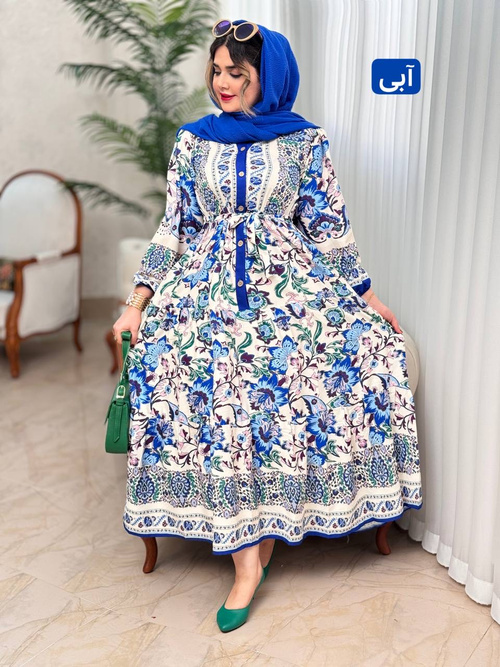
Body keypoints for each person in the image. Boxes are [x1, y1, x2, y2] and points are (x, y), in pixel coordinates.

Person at [112, 18, 422, 633]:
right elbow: (175, 228)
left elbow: (328, 226)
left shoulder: (306, 142)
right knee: (205, 367)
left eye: (238, 73)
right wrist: (137, 299)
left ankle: (269, 522)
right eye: (216, 71)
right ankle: (247, 558)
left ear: (269, 76)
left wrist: (368, 297)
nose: (223, 83)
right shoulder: (192, 142)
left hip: (290, 284)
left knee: (342, 352)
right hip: (204, 288)